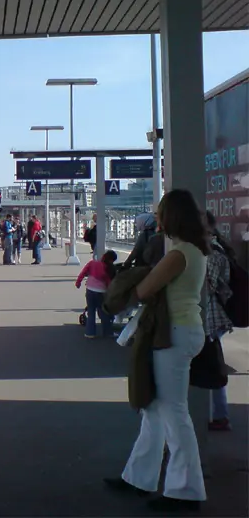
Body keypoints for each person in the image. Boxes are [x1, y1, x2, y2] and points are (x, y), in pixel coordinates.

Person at [105, 189, 209, 512]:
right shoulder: (193, 251)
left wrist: (126, 284)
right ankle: (138, 477)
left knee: (174, 412)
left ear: (172, 216)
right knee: (154, 409)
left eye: (161, 213)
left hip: (173, 334)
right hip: (181, 330)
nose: (158, 219)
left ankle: (186, 490)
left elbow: (145, 288)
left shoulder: (179, 255)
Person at [204, 211, 234, 432]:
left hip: (211, 317)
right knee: (211, 366)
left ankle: (219, 415)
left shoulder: (212, 254)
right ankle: (218, 414)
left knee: (211, 368)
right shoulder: (217, 250)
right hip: (213, 316)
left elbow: (207, 287)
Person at [76, 250, 118, 339]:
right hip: (101, 292)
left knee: (91, 312)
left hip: (90, 290)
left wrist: (78, 282)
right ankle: (108, 332)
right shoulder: (109, 268)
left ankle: (90, 333)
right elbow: (108, 282)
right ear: (112, 260)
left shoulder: (92, 263)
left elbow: (83, 272)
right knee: (104, 313)